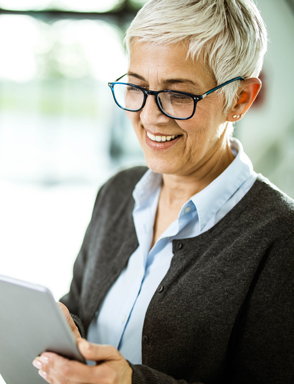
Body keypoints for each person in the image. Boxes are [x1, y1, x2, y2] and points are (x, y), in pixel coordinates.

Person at [32, 0, 294, 383]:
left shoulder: (280, 238)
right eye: (137, 87)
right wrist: (63, 328)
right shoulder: (118, 192)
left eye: (179, 95)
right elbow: (81, 304)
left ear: (239, 100)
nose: (150, 117)